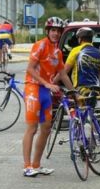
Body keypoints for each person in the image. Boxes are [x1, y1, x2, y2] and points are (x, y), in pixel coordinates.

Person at [22, 17, 73, 177]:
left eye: (58, 31)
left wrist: (74, 92)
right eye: (53, 30)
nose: (56, 34)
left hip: (45, 92)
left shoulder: (57, 52)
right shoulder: (40, 45)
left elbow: (63, 74)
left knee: (46, 129)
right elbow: (30, 69)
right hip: (33, 89)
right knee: (32, 128)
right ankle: (27, 166)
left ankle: (37, 164)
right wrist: (47, 84)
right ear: (47, 31)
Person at [63, 27, 100, 93]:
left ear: (80, 39)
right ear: (91, 39)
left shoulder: (76, 50)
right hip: (96, 91)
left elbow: (63, 72)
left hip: (80, 91)